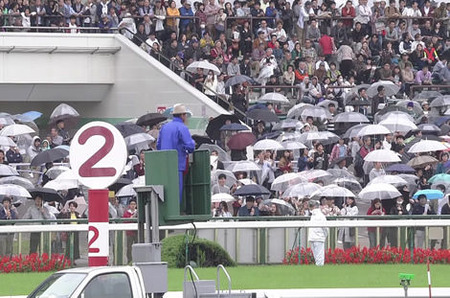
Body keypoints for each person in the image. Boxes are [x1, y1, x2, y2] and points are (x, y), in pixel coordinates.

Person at [157, 104, 195, 203]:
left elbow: (158, 145)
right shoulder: (182, 127)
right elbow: (190, 146)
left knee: (165, 191)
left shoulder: (164, 127)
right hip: (177, 164)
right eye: (185, 115)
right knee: (177, 190)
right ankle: (176, 212)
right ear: (182, 115)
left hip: (163, 164)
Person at [308, 200, 327, 266]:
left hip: (313, 237)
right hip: (319, 238)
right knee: (319, 257)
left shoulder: (314, 215)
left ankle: (319, 271)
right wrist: (324, 236)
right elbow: (325, 228)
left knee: (317, 257)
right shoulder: (320, 215)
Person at [122, 198, 138, 263]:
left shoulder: (138, 212)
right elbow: (125, 222)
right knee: (129, 247)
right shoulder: (126, 213)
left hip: (137, 232)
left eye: (134, 204)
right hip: (129, 233)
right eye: (131, 204)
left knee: (138, 247)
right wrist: (131, 218)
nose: (133, 205)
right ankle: (129, 260)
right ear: (129, 205)